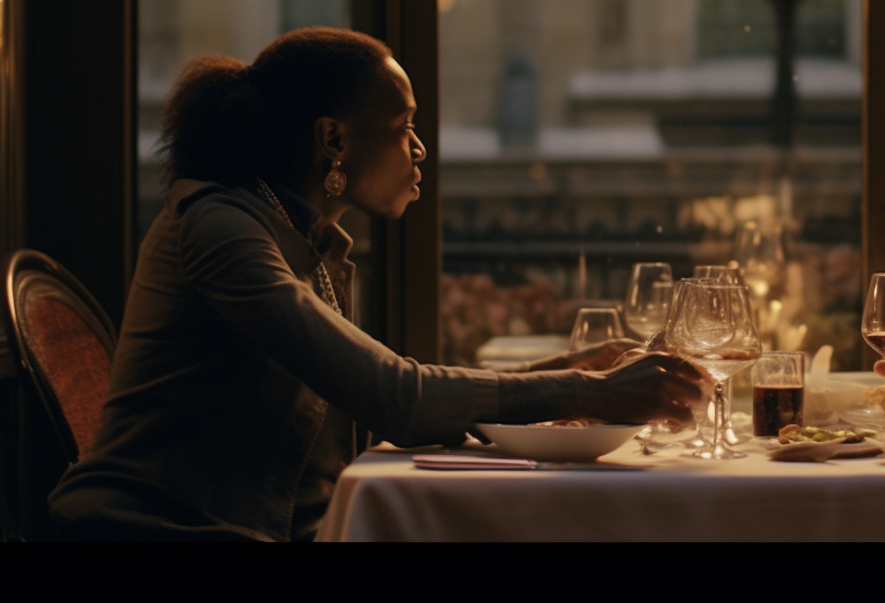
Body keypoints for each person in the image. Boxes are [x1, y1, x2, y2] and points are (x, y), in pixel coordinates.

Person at [49, 28, 701, 541]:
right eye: (404, 126)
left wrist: (571, 371)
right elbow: (391, 395)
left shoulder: (305, 239)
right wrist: (589, 390)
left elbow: (383, 396)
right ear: (332, 139)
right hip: (161, 532)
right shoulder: (219, 227)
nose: (420, 150)